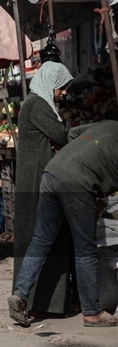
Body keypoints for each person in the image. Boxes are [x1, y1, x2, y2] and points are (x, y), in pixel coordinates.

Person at [9, 120, 118, 327]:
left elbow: (72, 133)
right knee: (85, 249)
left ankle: (20, 295)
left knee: (40, 240)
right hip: (78, 183)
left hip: (52, 172)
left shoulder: (110, 124)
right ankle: (92, 313)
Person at [14, 61, 74, 316]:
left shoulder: (36, 103)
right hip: (36, 181)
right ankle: (33, 301)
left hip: (36, 178)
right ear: (52, 83)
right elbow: (60, 134)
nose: (63, 93)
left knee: (46, 239)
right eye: (62, 87)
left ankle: (45, 303)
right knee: (41, 239)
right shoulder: (38, 104)